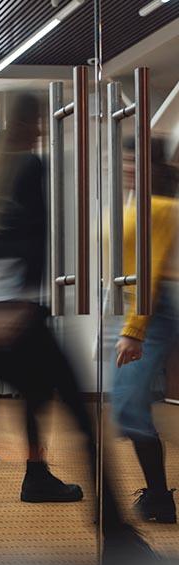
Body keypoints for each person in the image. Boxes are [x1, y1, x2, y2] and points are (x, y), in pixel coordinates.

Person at [0, 94, 151, 564]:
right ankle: (112, 530)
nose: (38, 131)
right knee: (76, 409)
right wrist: (11, 305)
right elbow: (36, 239)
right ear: (26, 124)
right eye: (34, 123)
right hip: (12, 316)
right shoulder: (27, 168)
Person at [111, 136, 179, 524]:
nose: (127, 168)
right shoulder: (141, 204)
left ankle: (157, 496)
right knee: (130, 407)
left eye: (135, 161)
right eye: (125, 160)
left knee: (129, 407)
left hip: (157, 309)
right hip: (150, 307)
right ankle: (157, 496)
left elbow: (149, 271)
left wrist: (134, 330)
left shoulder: (157, 207)